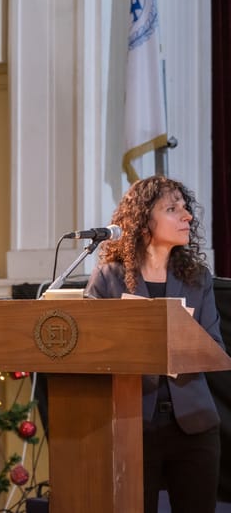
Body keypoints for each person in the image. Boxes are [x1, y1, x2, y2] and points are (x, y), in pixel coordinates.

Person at [85, 176, 224, 513]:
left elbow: (214, 347)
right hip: (132, 425)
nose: (187, 216)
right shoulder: (108, 278)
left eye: (185, 208)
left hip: (193, 424)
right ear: (144, 220)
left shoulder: (197, 278)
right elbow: (90, 351)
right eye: (173, 209)